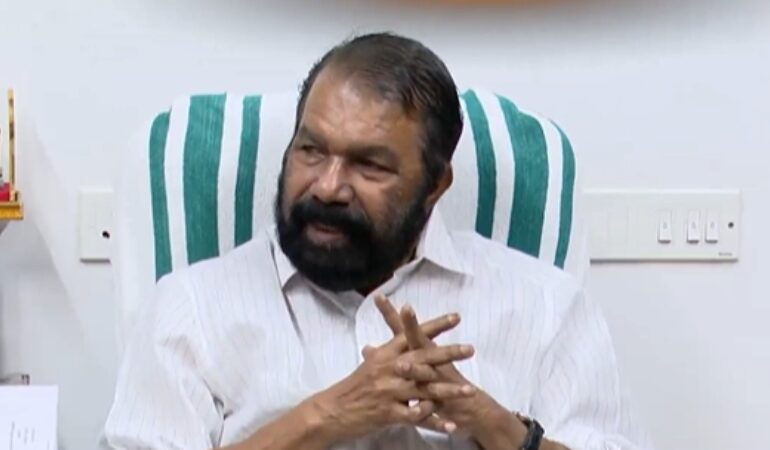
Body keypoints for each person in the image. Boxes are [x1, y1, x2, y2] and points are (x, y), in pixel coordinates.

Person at [102, 33, 650, 450]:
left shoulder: (545, 306)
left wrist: (494, 425)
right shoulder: (191, 308)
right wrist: (326, 416)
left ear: (435, 185)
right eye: (311, 150)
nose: (327, 186)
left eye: (370, 165)